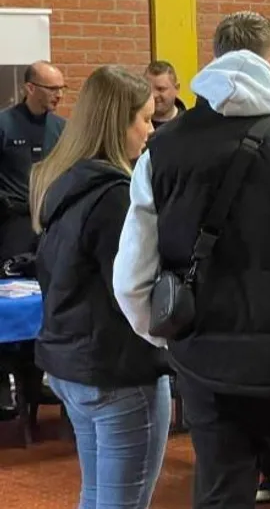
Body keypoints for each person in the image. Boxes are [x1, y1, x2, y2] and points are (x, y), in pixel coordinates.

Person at [113, 11, 270, 508]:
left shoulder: (161, 151)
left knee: (220, 495)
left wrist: (167, 336)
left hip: (206, 365)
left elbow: (130, 277)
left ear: (215, 60)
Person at [30, 65, 171, 509]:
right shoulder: (114, 197)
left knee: (95, 497)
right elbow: (132, 291)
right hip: (116, 372)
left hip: (75, 366)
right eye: (144, 119)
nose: (150, 130)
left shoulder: (63, 184)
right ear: (117, 122)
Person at [0, 60, 66, 260]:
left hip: (51, 224)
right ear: (30, 88)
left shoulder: (62, 128)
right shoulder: (4, 124)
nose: (60, 95)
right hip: (13, 224)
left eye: (62, 89)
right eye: (53, 89)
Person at [145, 60, 187, 130]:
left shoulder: (189, 126)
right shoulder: (134, 126)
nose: (153, 95)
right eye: (148, 89)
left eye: (160, 89)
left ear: (176, 88)